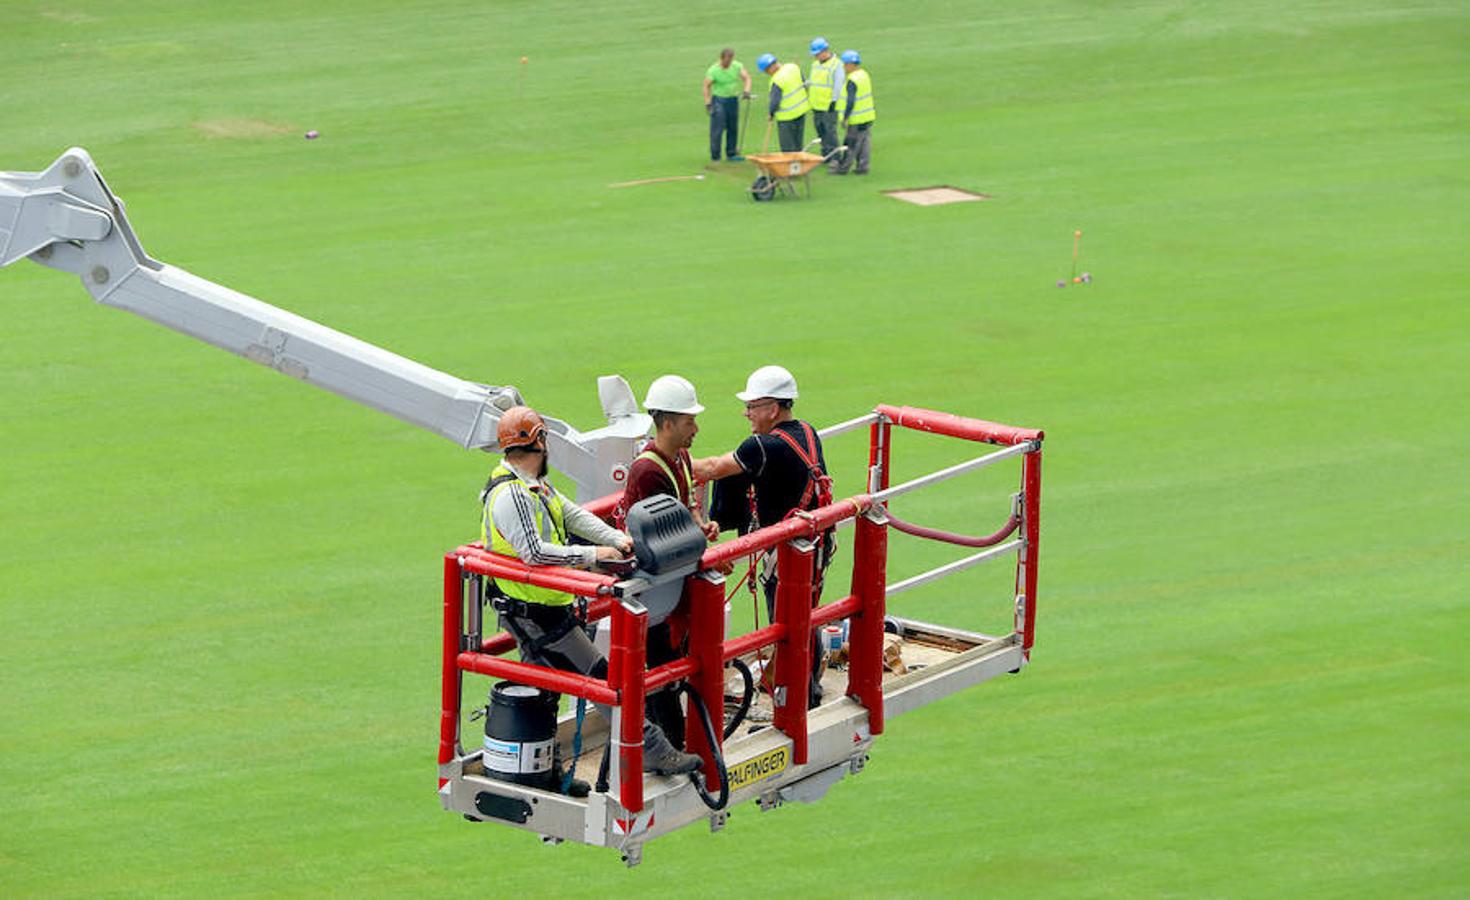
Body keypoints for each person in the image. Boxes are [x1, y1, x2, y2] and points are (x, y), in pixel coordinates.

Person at [481, 405, 701, 784]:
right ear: (541, 442)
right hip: (539, 614)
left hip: (539, 610)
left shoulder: (530, 486)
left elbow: (571, 514)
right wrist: (594, 555)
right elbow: (533, 552)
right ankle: (653, 748)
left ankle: (545, 772)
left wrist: (616, 538)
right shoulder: (515, 496)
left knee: (544, 691)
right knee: (604, 680)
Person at [692, 366, 833, 708]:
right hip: (817, 541)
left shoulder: (762, 445)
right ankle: (806, 688)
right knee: (805, 615)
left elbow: (709, 469)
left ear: (772, 409)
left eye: (752, 406)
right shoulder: (807, 432)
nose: (746, 413)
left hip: (789, 551)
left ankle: (795, 698)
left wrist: (667, 458)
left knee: (784, 623)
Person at [615, 376, 721, 746]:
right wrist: (705, 554)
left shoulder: (678, 459)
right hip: (654, 586)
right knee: (662, 665)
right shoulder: (648, 471)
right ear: (667, 423)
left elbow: (684, 512)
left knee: (669, 663)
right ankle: (671, 743)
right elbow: (665, 543)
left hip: (668, 580)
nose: (696, 427)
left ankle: (669, 739)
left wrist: (700, 526)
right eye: (689, 420)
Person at [702, 48, 753, 162]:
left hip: (732, 100)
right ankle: (715, 156)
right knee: (717, 128)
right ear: (721, 59)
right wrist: (708, 103)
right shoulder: (713, 70)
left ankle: (731, 153)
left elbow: (747, 78)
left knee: (732, 127)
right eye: (726, 62)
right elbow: (706, 86)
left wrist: (746, 91)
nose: (728, 64)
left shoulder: (736, 66)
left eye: (730, 61)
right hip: (719, 100)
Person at [755, 53, 810, 152]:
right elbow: (804, 83)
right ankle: (798, 164)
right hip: (801, 111)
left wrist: (771, 114)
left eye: (766, 71)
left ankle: (789, 165)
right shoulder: (793, 67)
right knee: (798, 142)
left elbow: (775, 101)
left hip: (786, 116)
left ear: (769, 68)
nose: (767, 73)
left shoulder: (777, 80)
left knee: (787, 145)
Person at [833, 50, 876, 175]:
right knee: (865, 143)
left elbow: (850, 101)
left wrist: (845, 118)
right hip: (868, 116)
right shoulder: (864, 75)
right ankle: (863, 167)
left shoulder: (852, 80)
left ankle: (843, 168)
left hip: (856, 119)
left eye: (845, 64)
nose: (844, 67)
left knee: (850, 143)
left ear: (851, 64)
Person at [806, 37, 845, 168]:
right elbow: (813, 81)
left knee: (830, 132)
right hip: (816, 105)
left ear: (825, 51)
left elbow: (839, 85)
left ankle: (836, 158)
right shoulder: (815, 64)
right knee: (821, 131)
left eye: (817, 54)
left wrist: (834, 101)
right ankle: (825, 154)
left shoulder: (836, 65)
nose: (816, 56)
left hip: (829, 106)